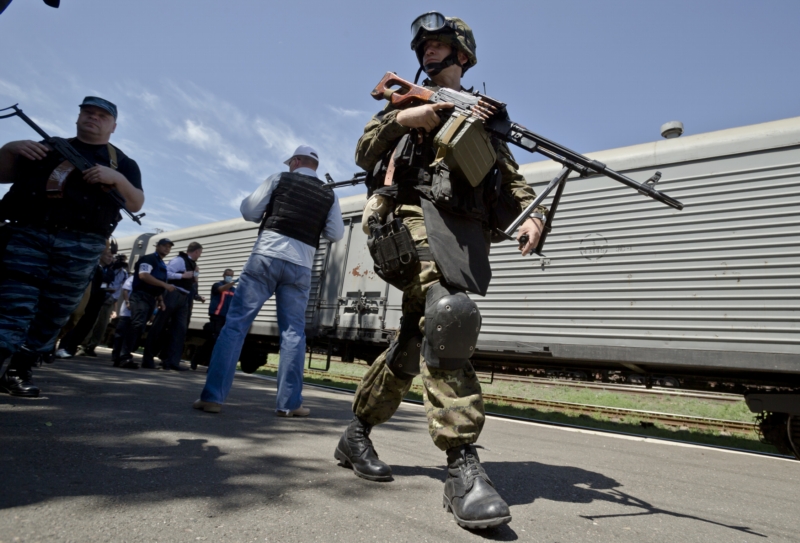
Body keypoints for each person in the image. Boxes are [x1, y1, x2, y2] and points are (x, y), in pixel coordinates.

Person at [332, 14, 546, 530]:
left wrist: (532, 214)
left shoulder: (484, 115)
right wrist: (403, 120)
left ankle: (355, 433)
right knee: (450, 314)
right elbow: (364, 151)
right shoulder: (403, 98)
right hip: (409, 218)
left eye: (441, 45)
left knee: (413, 342)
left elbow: (511, 178)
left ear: (463, 56)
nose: (430, 51)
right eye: (424, 45)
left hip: (462, 232)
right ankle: (462, 464)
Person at [0, 96, 143, 396]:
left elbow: (136, 202)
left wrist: (115, 177)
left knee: (57, 309)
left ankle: (20, 368)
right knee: (14, 301)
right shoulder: (47, 148)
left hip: (82, 243)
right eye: (88, 112)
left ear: (113, 126)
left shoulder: (124, 164)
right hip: (31, 233)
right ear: (78, 117)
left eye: (102, 116)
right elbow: (3, 175)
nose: (93, 118)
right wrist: (9, 149)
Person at [193, 145, 344, 416]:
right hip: (301, 265)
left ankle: (213, 398)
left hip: (266, 257)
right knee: (293, 333)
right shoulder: (328, 193)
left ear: (296, 161)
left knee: (236, 326)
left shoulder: (279, 179)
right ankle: (289, 404)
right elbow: (335, 234)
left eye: (291, 162)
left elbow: (250, 212)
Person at [141, 242, 203, 371]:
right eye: (200, 253)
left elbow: (194, 280)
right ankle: (148, 359)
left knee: (180, 330)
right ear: (196, 251)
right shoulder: (179, 260)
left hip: (184, 298)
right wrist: (181, 275)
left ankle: (171, 361)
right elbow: (166, 273)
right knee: (159, 326)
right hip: (173, 294)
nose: (200, 255)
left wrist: (195, 275)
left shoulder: (193, 264)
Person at [118, 238, 175, 369]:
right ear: (157, 246)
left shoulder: (161, 263)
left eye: (169, 247)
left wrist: (160, 300)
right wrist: (165, 285)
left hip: (151, 298)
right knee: (136, 324)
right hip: (141, 296)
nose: (167, 249)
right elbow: (144, 276)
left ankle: (125, 356)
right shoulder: (148, 259)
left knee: (140, 327)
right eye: (164, 246)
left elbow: (157, 283)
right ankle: (123, 357)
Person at [54, 247, 115, 358]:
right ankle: (62, 346)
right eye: (108, 256)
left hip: (98, 301)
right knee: (74, 321)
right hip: (86, 298)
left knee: (87, 325)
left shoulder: (109, 271)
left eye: (112, 257)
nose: (111, 258)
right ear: (100, 256)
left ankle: (71, 348)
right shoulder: (93, 268)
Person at [79, 253, 129, 356]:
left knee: (102, 325)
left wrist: (115, 307)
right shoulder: (107, 269)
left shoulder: (124, 273)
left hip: (109, 301)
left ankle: (92, 346)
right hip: (99, 297)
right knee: (91, 322)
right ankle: (82, 345)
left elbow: (124, 286)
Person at [191, 269, 236, 370]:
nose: (229, 277)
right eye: (228, 275)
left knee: (220, 342)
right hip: (216, 316)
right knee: (213, 340)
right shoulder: (216, 285)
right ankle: (197, 358)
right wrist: (233, 283)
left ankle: (211, 364)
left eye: (231, 276)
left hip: (226, 318)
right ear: (223, 275)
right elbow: (220, 290)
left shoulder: (233, 290)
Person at [111, 273, 134, 366]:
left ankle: (123, 355)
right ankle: (116, 355)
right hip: (126, 312)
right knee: (120, 334)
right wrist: (127, 302)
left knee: (129, 335)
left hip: (135, 313)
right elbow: (125, 290)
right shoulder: (132, 278)